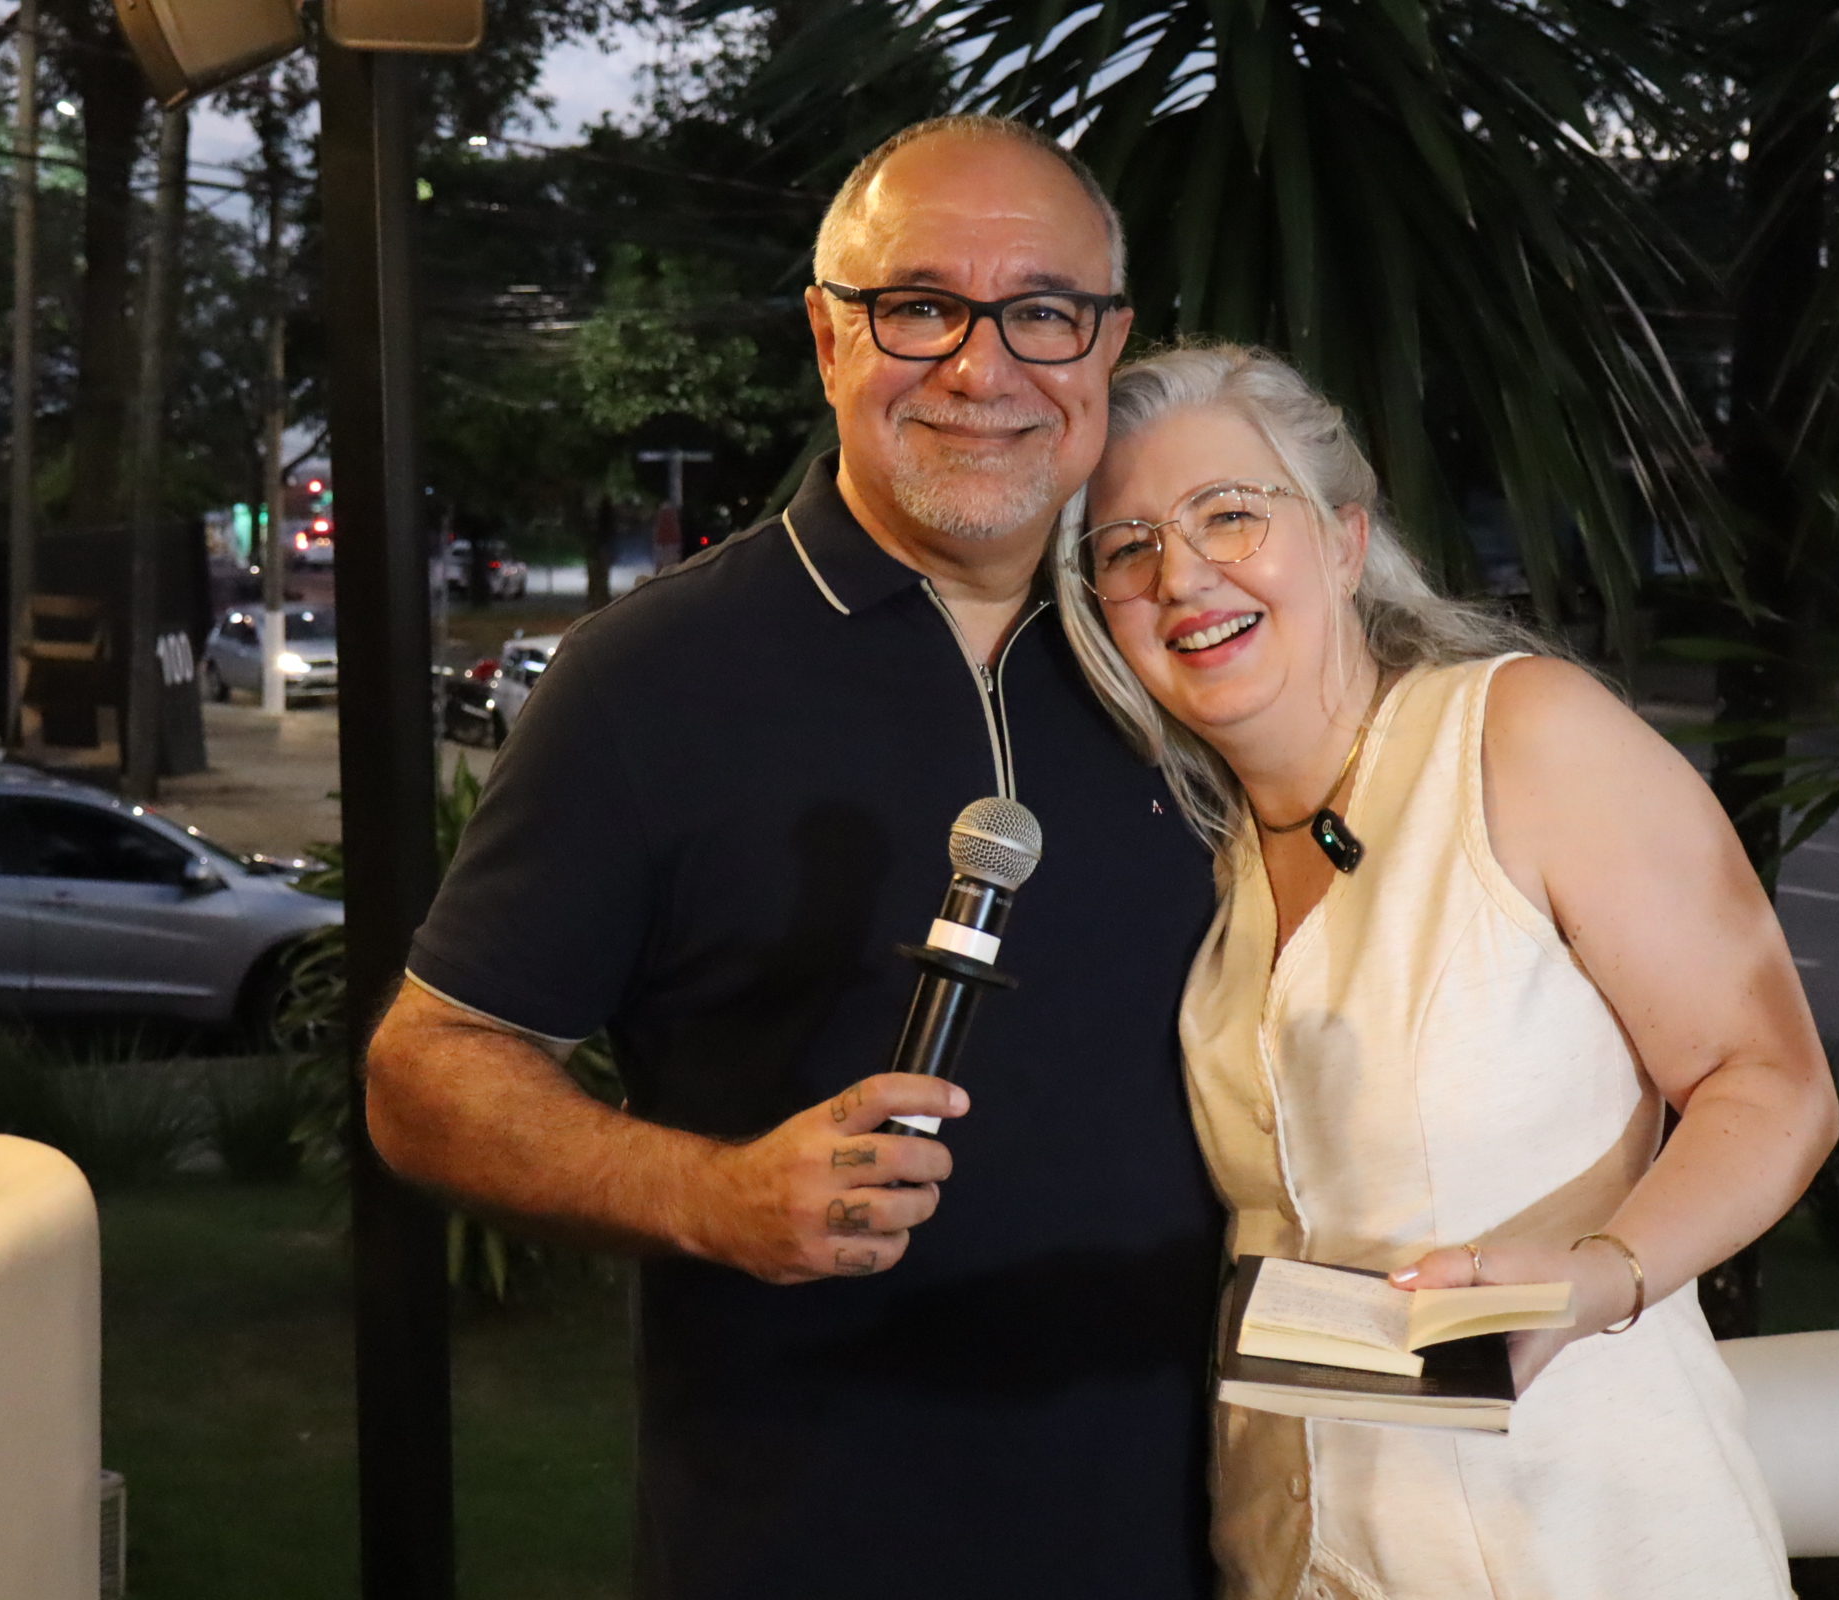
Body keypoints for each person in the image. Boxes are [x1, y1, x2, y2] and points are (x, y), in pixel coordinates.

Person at [365, 119, 1226, 1599]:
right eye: (919, 307)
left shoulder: (1193, 653)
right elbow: (427, 1070)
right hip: (809, 1544)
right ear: (828, 339)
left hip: (1213, 1539)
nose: (982, 366)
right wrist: (713, 1197)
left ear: (1106, 346)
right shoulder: (654, 677)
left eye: (1041, 310)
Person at [1052, 344, 1839, 1598]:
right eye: (1126, 545)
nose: (1181, 573)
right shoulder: (1208, 860)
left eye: (1230, 514)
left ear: (1348, 540)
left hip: (1590, 1543)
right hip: (1297, 1560)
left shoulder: (1523, 733)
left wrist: (1595, 1279)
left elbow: (1775, 1084)